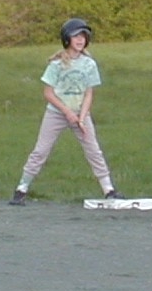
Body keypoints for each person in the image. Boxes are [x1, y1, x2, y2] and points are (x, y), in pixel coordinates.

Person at [9, 18, 124, 206]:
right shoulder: (56, 64)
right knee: (40, 150)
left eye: (83, 36)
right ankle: (22, 188)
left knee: (93, 150)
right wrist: (67, 112)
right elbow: (48, 93)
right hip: (57, 112)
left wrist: (81, 115)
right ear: (66, 39)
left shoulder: (89, 64)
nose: (80, 40)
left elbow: (89, 93)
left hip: (80, 114)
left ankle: (108, 190)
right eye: (75, 36)